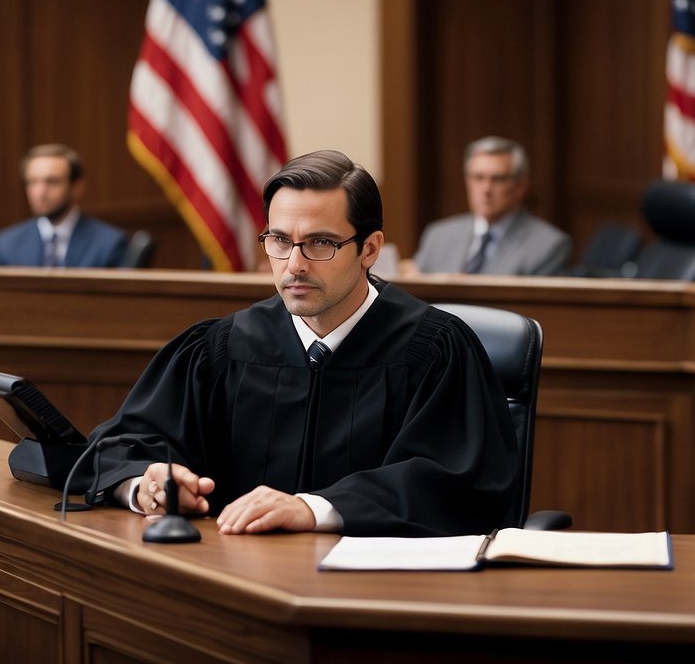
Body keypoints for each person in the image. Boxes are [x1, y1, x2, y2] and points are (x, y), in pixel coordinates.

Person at [81, 150, 517, 537]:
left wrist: (313, 508)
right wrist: (146, 485)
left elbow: (461, 486)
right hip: (233, 582)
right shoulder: (221, 349)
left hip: (376, 599)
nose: (295, 264)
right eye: (280, 240)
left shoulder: (434, 350)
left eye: (320, 243)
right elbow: (122, 445)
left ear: (370, 249)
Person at [407, 136, 572, 276]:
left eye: (498, 179)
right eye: (478, 178)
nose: (486, 189)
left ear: (520, 186)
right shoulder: (439, 235)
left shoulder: (549, 245)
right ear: (467, 182)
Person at [0, 144, 128, 268]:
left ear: (76, 187)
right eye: (32, 182)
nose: (40, 193)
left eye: (52, 182)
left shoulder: (109, 243)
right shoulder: (6, 244)